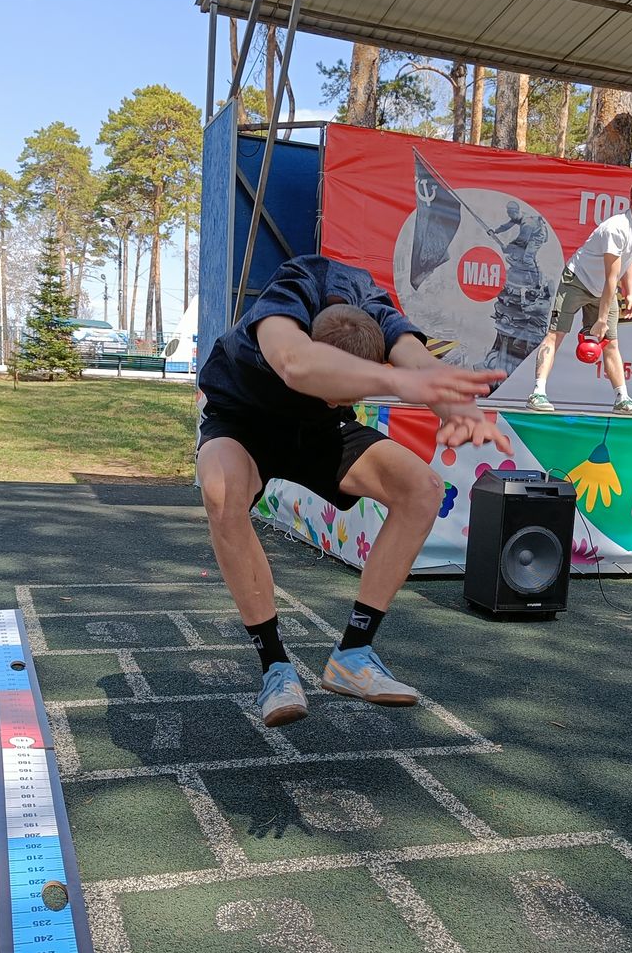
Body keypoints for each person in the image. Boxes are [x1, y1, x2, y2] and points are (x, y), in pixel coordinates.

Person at [197, 255, 509, 727]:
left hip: (319, 434)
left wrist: (459, 410)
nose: (335, 400)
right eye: (335, 389)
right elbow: (297, 366)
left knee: (421, 488)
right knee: (222, 492)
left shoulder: (376, 314)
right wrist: (393, 380)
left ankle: (354, 654)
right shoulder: (287, 301)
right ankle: (275, 667)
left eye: (345, 396)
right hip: (242, 421)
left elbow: (418, 362)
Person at [526, 175, 632, 416]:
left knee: (611, 343)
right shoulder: (616, 228)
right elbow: (611, 277)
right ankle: (538, 393)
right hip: (577, 280)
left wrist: (630, 293)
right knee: (555, 334)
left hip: (603, 289)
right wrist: (600, 319)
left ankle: (622, 399)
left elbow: (627, 258)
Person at [482, 201, 552, 380]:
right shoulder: (517, 219)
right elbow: (507, 225)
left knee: (527, 257)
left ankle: (534, 276)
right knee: (520, 256)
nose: (511, 216)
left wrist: (508, 248)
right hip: (514, 317)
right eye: (509, 213)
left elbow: (521, 241)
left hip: (538, 235)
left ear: (517, 211)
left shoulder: (527, 223)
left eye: (512, 213)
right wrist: (495, 231)